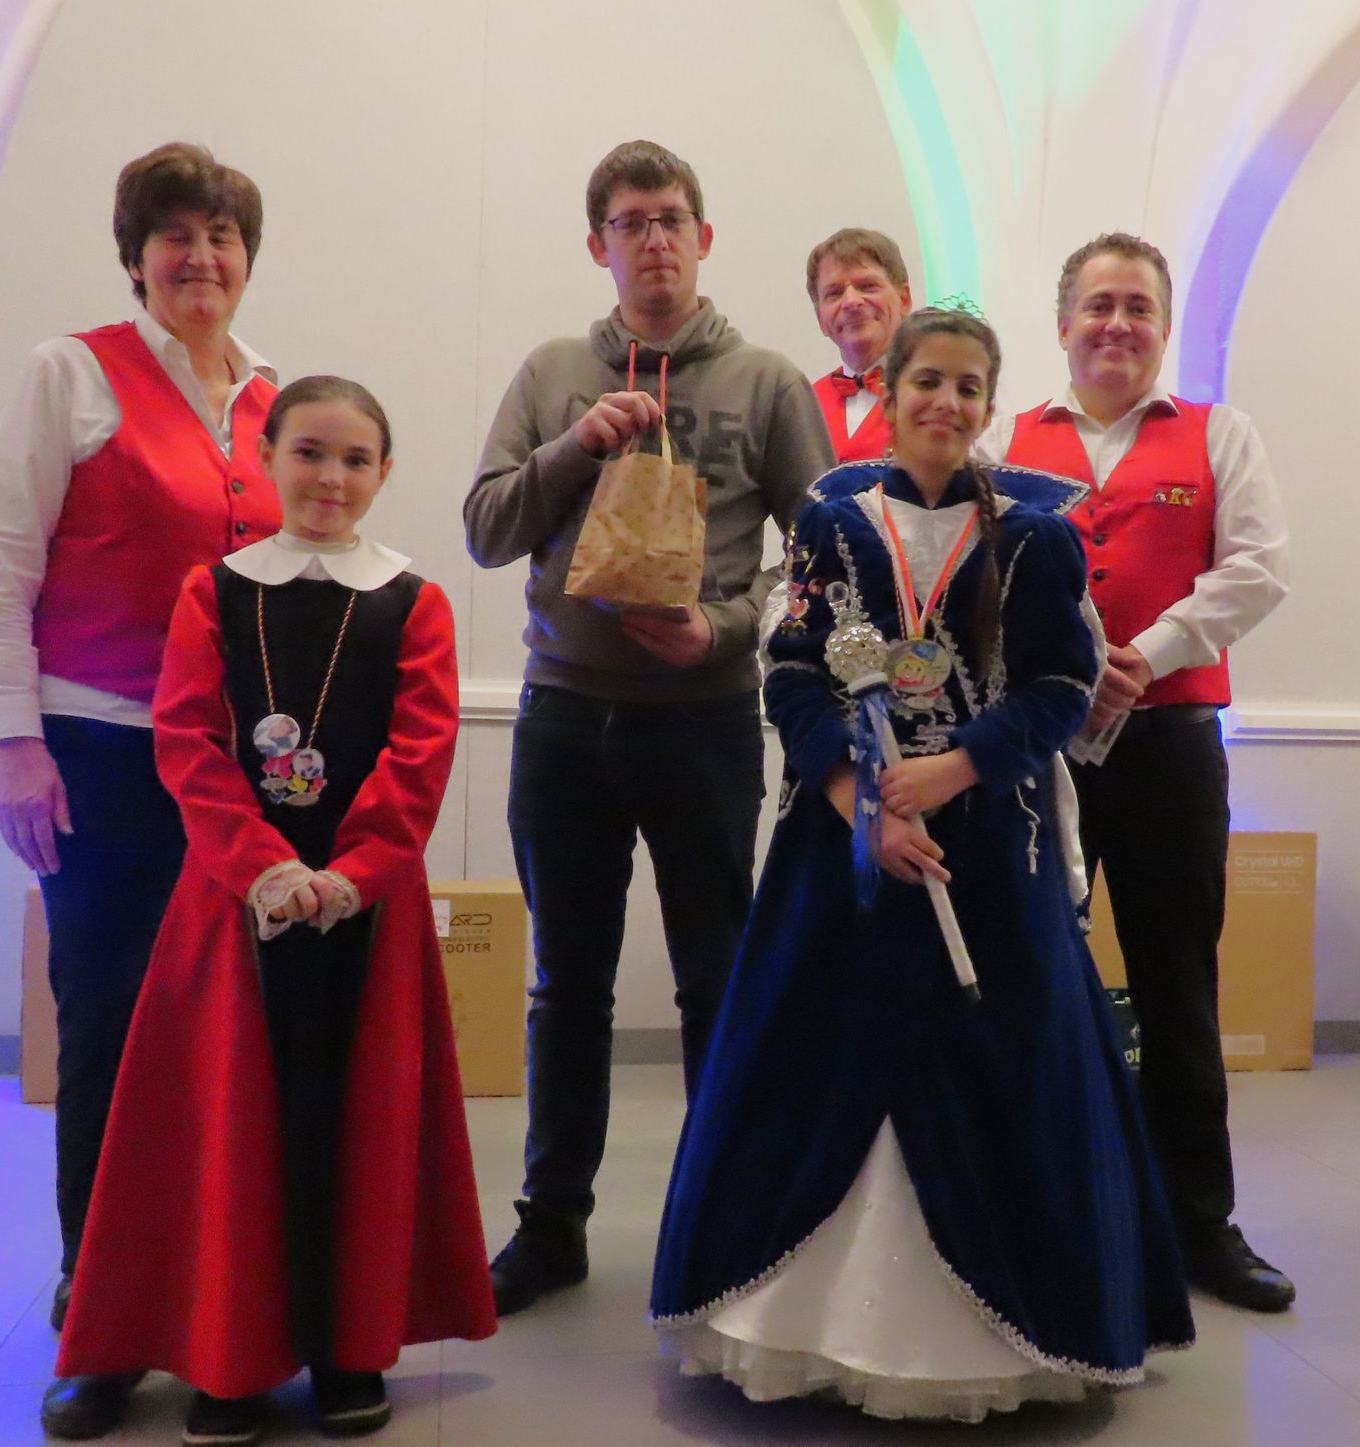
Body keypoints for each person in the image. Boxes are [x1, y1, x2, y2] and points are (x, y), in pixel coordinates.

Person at [650, 308, 1194, 1419]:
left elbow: (1057, 688)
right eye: (927, 382)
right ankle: (803, 1311)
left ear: (989, 406)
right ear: (889, 394)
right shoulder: (830, 525)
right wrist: (863, 806)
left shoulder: (1035, 539)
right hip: (844, 851)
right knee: (820, 1049)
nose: (946, 403)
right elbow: (793, 674)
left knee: (1004, 1053)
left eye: (968, 386)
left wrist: (952, 773)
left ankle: (1007, 1319)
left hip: (988, 853)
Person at [54, 376, 496, 1446]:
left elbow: (420, 752)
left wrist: (351, 873)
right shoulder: (215, 591)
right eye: (308, 452)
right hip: (233, 907)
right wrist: (262, 867)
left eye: (355, 459)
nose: (330, 478)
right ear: (266, 458)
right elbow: (189, 739)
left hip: (364, 914)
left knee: (357, 1127)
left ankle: (349, 1348)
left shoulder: (413, 601)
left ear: (383, 473)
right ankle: (231, 1355)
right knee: (227, 1130)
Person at [464, 139, 836, 1316]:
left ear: (705, 237)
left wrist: (725, 626)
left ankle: (726, 1217)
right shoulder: (552, 372)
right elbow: (484, 529)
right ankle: (552, 1225)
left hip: (704, 721)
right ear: (600, 245)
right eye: (630, 222)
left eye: (671, 217)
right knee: (564, 986)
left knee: (715, 982)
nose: (654, 239)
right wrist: (576, 445)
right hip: (564, 717)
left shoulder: (768, 383)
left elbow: (825, 560)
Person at [0, 142, 280, 1437]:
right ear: (136, 256)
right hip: (98, 750)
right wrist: (13, 740)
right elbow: (2, 566)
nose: (200, 257)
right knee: (107, 1028)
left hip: (240, 773)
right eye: (175, 236)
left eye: (221, 235)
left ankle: (220, 1296)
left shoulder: (273, 395)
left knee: (229, 1034)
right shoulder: (72, 374)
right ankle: (99, 1305)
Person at [977, 232, 1294, 1312]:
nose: (1118, 324)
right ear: (1064, 323)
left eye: (1139, 307)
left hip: (1168, 746)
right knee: (1029, 974)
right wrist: (1058, 670)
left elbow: (1259, 567)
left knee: (1177, 982)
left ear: (1164, 325)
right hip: (1033, 749)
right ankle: (1032, 1211)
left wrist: (1146, 654)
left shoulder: (1220, 434)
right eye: (1100, 305)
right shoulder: (1002, 443)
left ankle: (1200, 1223)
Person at [806, 227, 913, 462]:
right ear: (821, 319)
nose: (851, 302)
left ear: (904, 300)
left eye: (867, 286)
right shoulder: (804, 405)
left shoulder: (934, 395)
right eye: (834, 293)